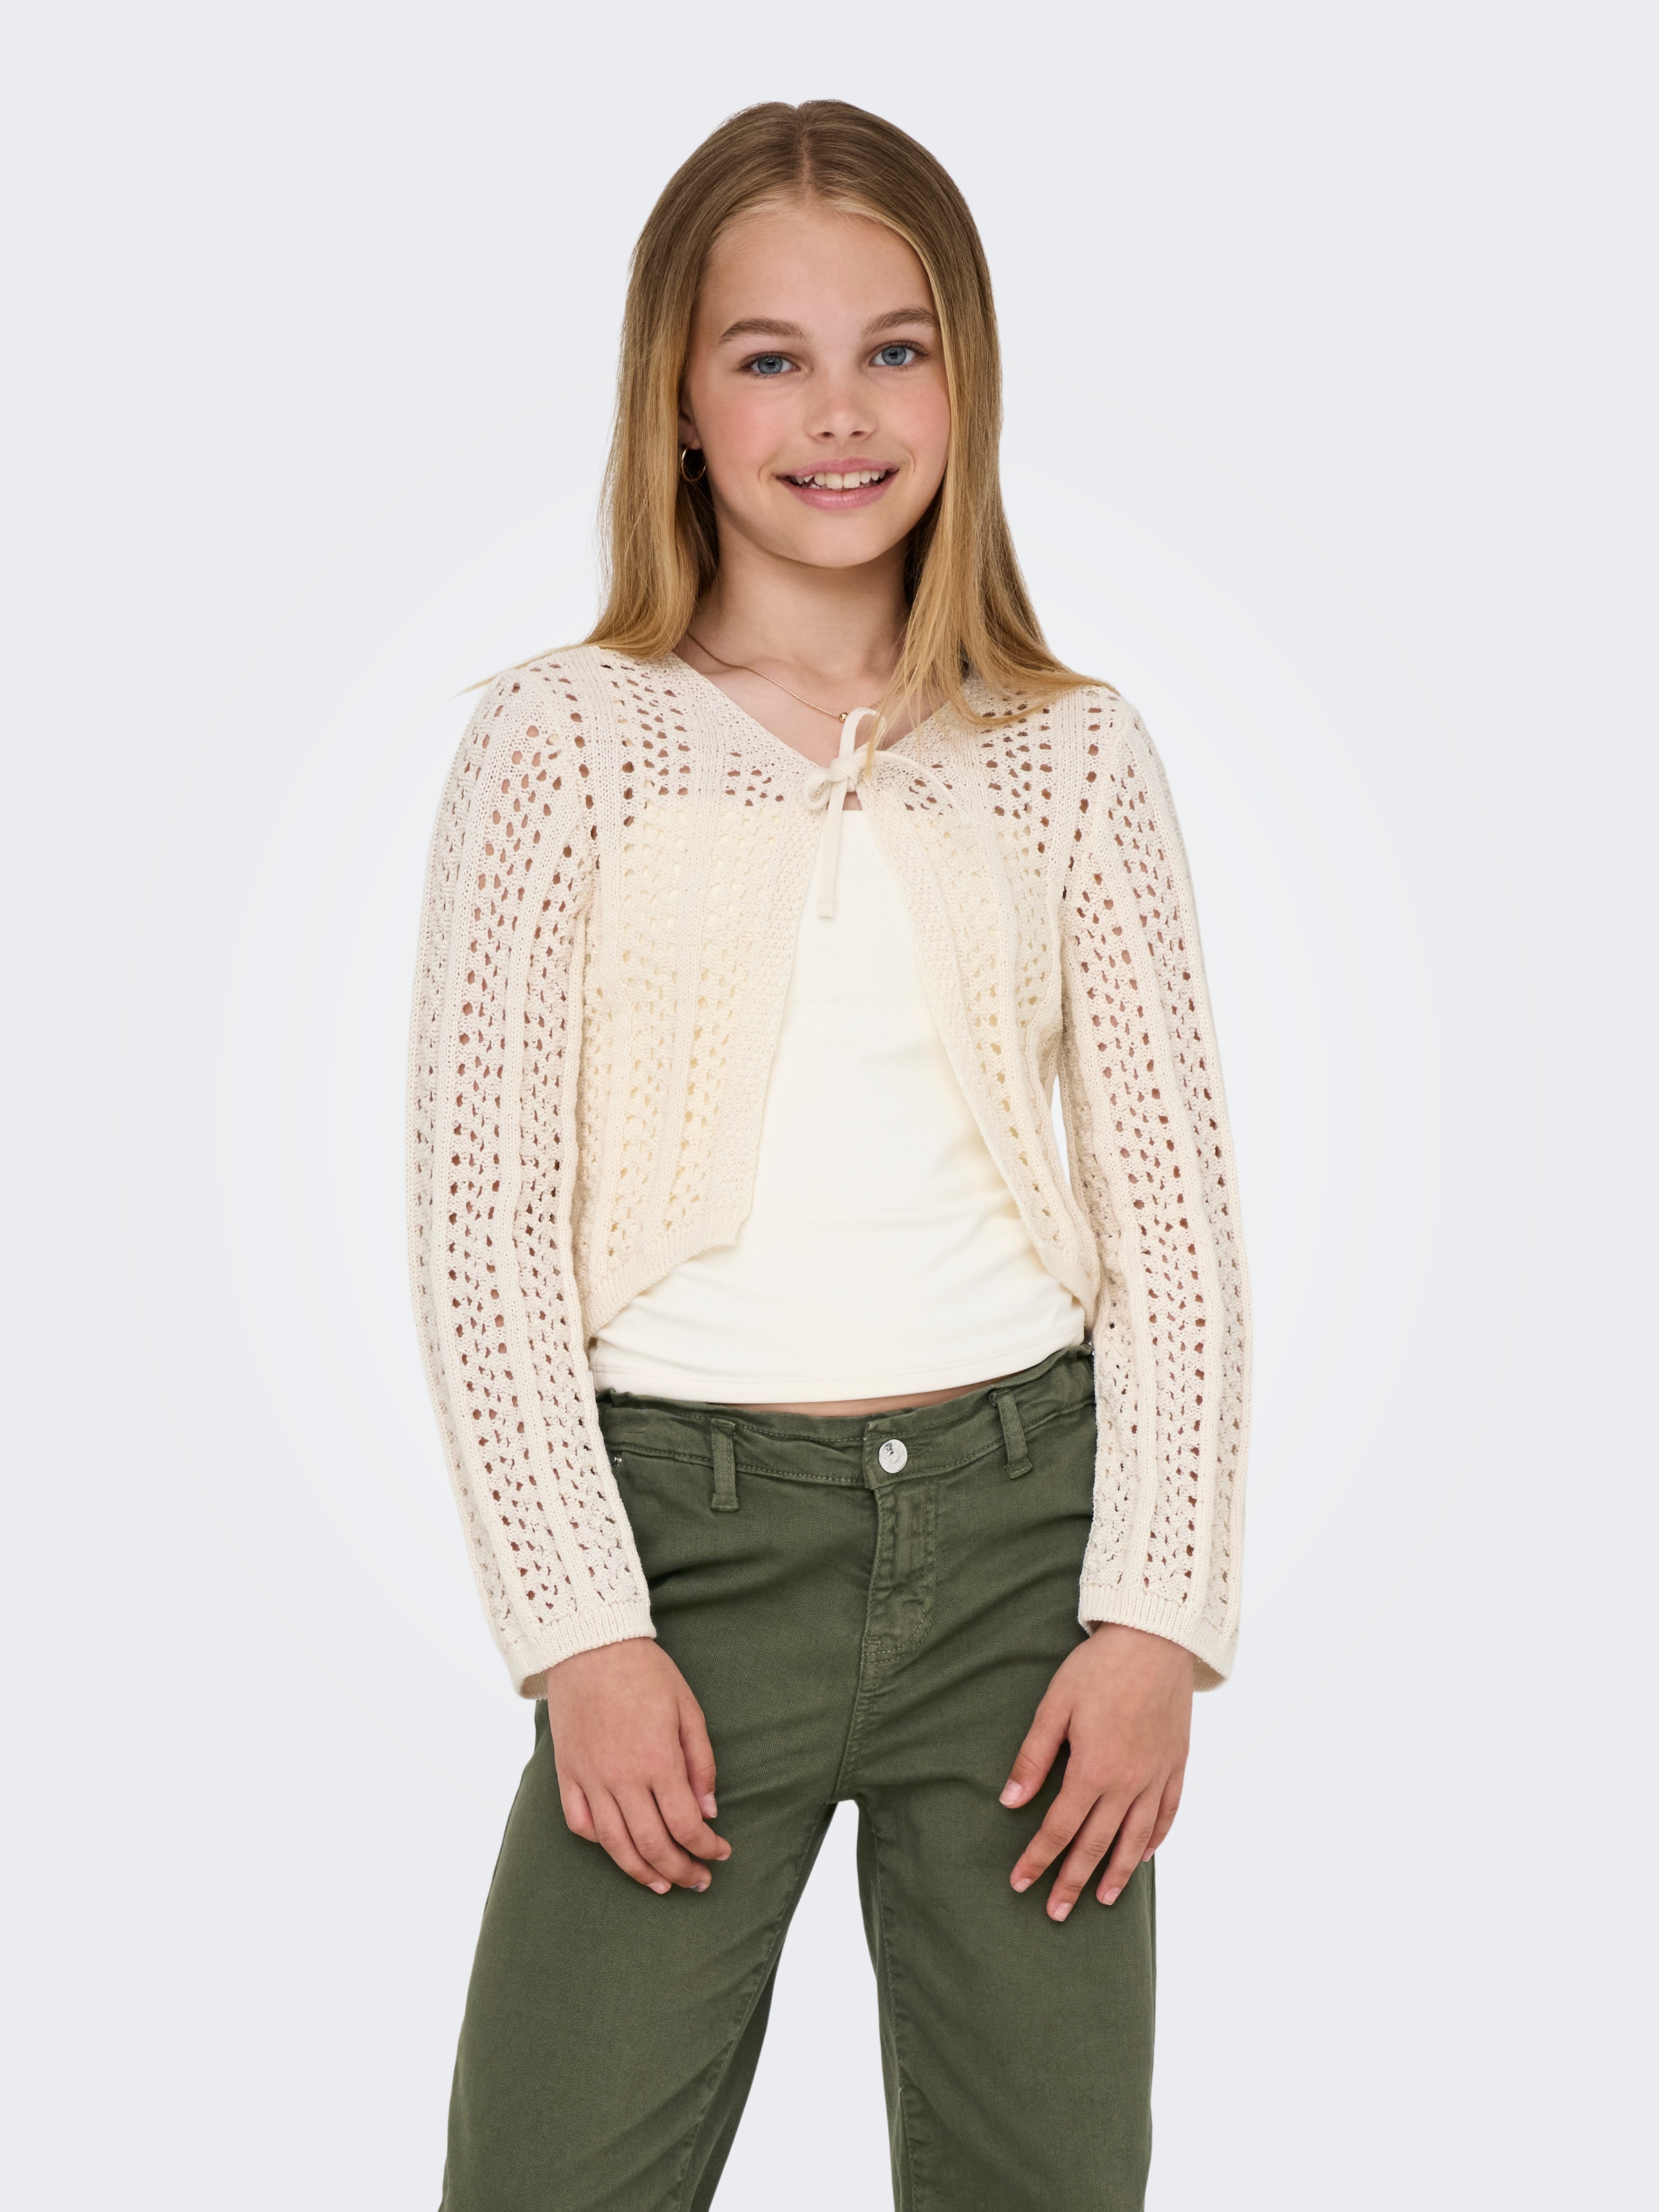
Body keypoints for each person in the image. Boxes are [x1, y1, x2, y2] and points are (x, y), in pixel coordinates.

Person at [409, 97, 1249, 2212]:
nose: (840, 412)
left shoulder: (1071, 753)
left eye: (895, 348)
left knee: (1049, 2179)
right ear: (679, 402)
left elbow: (1178, 1227)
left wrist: (1157, 1621)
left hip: (1025, 1556)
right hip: (685, 1565)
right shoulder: (562, 744)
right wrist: (580, 1629)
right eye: (769, 357)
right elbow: (478, 1230)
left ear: (965, 378)